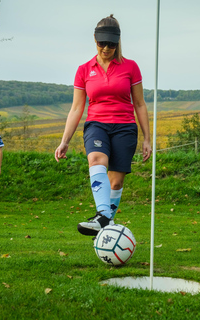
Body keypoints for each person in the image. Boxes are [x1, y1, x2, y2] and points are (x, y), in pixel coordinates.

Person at [55, 14, 152, 236]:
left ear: (118, 42)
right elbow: (77, 108)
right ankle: (102, 215)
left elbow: (140, 104)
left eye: (111, 44)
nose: (106, 48)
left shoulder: (131, 67)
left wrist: (147, 139)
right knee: (97, 160)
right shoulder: (83, 70)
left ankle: (105, 223)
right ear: (95, 39)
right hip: (96, 124)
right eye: (102, 43)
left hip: (125, 126)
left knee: (116, 183)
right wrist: (64, 141)